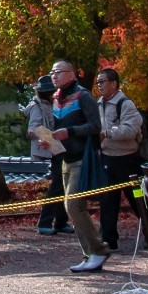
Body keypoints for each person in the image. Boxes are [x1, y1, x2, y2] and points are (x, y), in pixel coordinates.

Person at [46, 58, 109, 272]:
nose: (54, 76)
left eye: (59, 72)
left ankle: (98, 249)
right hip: (65, 158)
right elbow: (59, 128)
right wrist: (49, 140)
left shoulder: (83, 96)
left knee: (73, 205)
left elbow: (95, 126)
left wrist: (70, 132)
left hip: (83, 158)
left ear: (72, 74)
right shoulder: (56, 99)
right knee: (72, 207)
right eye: (52, 72)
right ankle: (89, 253)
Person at [94, 68, 146, 254]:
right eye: (97, 82)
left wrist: (106, 133)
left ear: (113, 83)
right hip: (107, 158)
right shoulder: (98, 104)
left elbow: (129, 130)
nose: (99, 85)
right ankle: (108, 240)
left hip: (128, 159)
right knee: (107, 201)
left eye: (102, 82)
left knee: (138, 199)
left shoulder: (125, 104)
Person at [25, 76, 70, 235]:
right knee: (58, 184)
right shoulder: (37, 106)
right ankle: (45, 222)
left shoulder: (51, 103)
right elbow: (33, 128)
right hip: (52, 146)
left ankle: (61, 221)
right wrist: (44, 137)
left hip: (56, 146)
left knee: (62, 184)